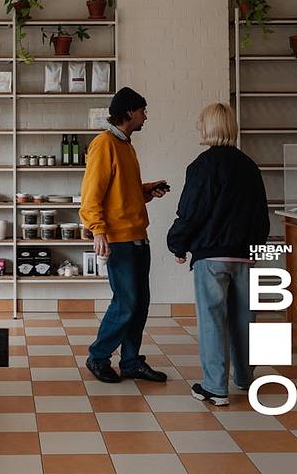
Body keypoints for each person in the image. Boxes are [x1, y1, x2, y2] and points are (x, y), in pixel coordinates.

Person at [167, 103, 269, 406]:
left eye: (201, 123)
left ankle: (215, 388)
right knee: (245, 320)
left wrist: (178, 244)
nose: (198, 127)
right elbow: (261, 216)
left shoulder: (203, 166)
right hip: (245, 255)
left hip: (211, 257)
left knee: (212, 320)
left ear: (208, 127)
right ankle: (245, 378)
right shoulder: (250, 166)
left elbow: (191, 212)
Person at [80, 87, 169, 384]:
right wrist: (98, 230)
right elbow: (91, 194)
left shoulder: (126, 145)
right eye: (143, 110)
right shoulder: (103, 144)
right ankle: (98, 357)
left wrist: (147, 191)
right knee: (126, 303)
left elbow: (121, 192)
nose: (146, 116)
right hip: (119, 239)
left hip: (138, 236)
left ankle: (131, 362)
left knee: (139, 304)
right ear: (129, 112)